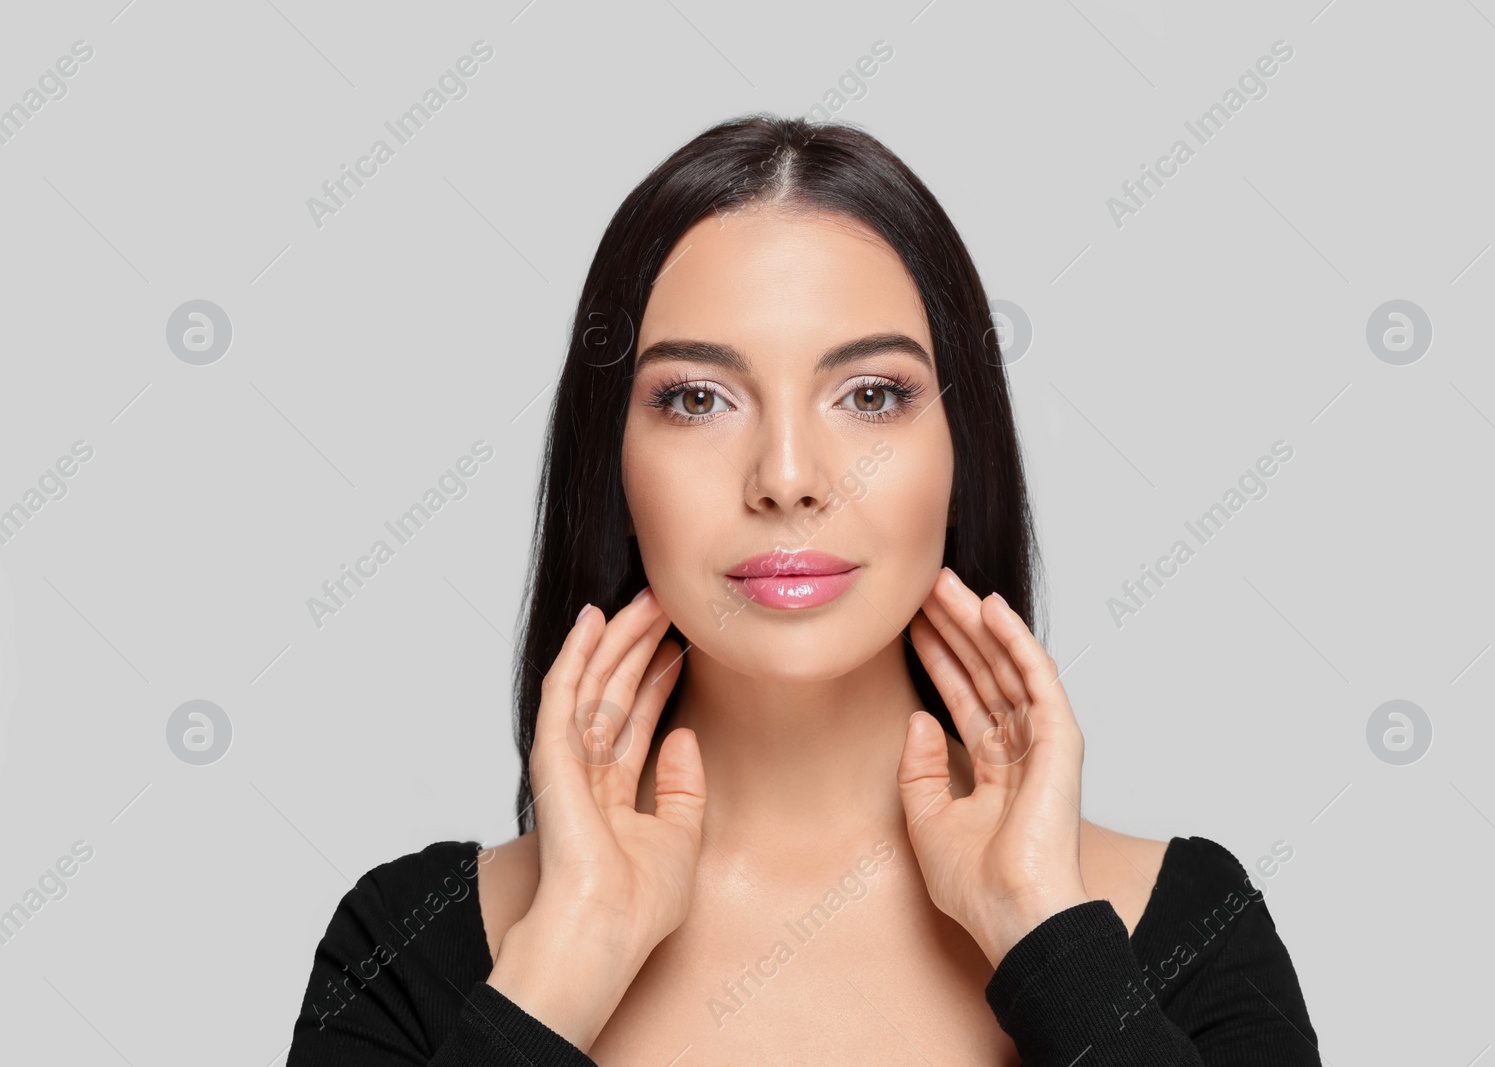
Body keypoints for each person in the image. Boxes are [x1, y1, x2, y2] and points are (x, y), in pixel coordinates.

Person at [286, 114, 1321, 1065]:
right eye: (697, 397)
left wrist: (1047, 933)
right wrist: (568, 953)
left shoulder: (1188, 927)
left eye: (871, 394)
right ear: (615, 460)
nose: (787, 475)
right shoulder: (406, 940)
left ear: (962, 451)